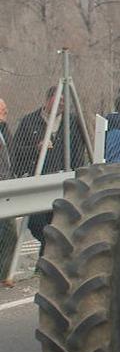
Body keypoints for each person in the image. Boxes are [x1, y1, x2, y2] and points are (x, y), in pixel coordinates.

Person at [11, 86, 90, 252]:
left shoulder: (72, 122)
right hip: (38, 180)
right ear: (48, 100)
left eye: (64, 101)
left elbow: (77, 151)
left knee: (59, 223)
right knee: (36, 223)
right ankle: (49, 253)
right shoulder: (30, 121)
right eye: (58, 100)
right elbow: (16, 152)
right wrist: (36, 148)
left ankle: (46, 260)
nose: (61, 104)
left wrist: (78, 174)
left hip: (64, 180)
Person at [0, 98, 15, 287]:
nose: (5, 112)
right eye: (2, 109)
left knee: (9, 230)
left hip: (7, 183)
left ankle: (4, 274)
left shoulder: (4, 131)